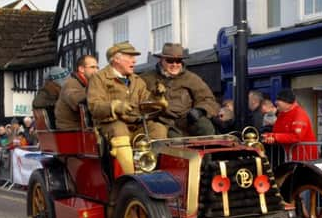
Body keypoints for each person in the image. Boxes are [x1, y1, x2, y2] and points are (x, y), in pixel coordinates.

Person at [87, 41, 167, 174]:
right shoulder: (99, 78)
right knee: (119, 129)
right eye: (130, 57)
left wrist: (156, 97)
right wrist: (115, 106)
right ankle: (129, 178)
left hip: (136, 125)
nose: (134, 61)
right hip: (110, 126)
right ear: (116, 59)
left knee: (159, 129)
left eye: (134, 57)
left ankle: (147, 167)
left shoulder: (137, 80)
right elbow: (94, 106)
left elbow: (145, 104)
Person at [141, 43, 219, 137]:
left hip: (187, 120)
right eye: (170, 60)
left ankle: (208, 151)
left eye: (178, 61)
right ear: (161, 60)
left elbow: (208, 99)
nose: (175, 64)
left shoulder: (191, 78)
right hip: (162, 121)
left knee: (205, 127)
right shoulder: (147, 78)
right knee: (173, 140)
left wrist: (200, 110)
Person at [261, 88, 318, 161]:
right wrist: (270, 137)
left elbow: (296, 137)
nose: (276, 105)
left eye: (278, 103)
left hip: (304, 157)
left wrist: (275, 137)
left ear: (287, 102)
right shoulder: (282, 114)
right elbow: (277, 131)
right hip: (289, 156)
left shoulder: (299, 114)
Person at [55, 55, 99, 130]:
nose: (96, 71)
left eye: (97, 67)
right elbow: (78, 101)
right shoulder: (71, 83)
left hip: (82, 127)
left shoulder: (86, 84)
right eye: (92, 67)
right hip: (71, 129)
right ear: (81, 69)